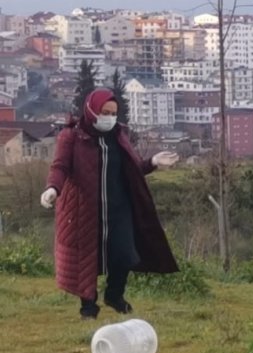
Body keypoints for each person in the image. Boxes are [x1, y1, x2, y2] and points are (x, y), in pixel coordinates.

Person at [40, 88, 180, 320]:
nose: (109, 117)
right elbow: (60, 167)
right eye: (104, 112)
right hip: (84, 210)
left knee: (124, 254)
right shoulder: (72, 136)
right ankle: (88, 308)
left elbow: (133, 170)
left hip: (119, 209)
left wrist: (153, 162)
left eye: (113, 113)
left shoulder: (119, 135)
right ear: (91, 110)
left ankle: (114, 295)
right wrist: (53, 188)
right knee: (88, 259)